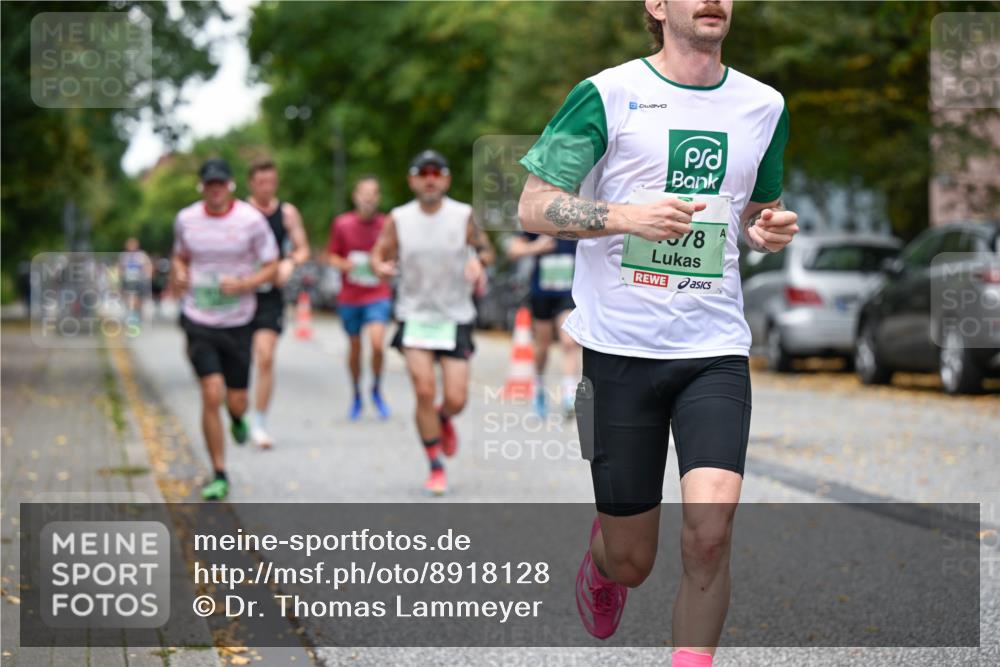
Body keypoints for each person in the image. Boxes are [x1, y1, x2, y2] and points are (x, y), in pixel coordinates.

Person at [517, 1, 799, 664]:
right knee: (632, 558)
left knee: (709, 532)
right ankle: (603, 561)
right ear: (657, 4)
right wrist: (625, 215)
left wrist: (767, 228)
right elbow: (532, 205)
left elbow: (759, 213)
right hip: (617, 352)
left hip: (714, 350)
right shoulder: (607, 95)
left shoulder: (764, 105)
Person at [371, 150, 494, 496]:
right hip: (415, 315)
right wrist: (380, 266)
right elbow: (379, 252)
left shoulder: (463, 215)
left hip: (455, 316)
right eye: (422, 173)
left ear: (446, 179)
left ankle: (442, 419)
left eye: (436, 173)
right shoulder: (399, 218)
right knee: (423, 389)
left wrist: (480, 263)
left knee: (456, 399)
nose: (429, 179)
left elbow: (486, 250)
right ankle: (435, 464)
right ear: (412, 180)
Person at [171, 158, 279, 500]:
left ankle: (238, 419)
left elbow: (272, 265)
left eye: (220, 183)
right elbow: (180, 256)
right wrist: (179, 272)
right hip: (198, 318)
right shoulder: (187, 219)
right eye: (208, 184)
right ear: (201, 186)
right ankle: (219, 473)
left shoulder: (251, 221)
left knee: (236, 400)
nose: (214, 189)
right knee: (210, 392)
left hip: (238, 321)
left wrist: (246, 283)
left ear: (230, 185)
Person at [246, 158, 311, 449]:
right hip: (239, 293)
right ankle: (237, 412)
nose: (266, 187)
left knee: (266, 357)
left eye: (271, 182)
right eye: (261, 182)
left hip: (270, 294)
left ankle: (259, 422)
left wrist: (289, 263)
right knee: (235, 360)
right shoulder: (240, 212)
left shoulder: (286, 213)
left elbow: (303, 249)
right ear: (251, 183)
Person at [326, 176, 393, 420]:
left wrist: (386, 265)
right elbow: (330, 256)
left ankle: (375, 388)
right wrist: (346, 264)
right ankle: (356, 393)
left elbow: (394, 253)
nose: (368, 198)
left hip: (377, 294)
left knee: (377, 343)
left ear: (378, 198)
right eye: (364, 193)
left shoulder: (387, 224)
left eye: (373, 193)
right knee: (355, 347)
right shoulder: (342, 224)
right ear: (355, 196)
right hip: (350, 296)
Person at [506, 232, 579, 417]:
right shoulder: (539, 221)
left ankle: (569, 395)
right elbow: (513, 250)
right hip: (542, 293)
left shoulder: (578, 217)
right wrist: (536, 247)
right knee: (542, 347)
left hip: (567, 292)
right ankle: (538, 387)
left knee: (569, 341)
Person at [119, 237, 152, 326]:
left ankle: (137, 316)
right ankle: (131, 316)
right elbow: (120, 268)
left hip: (139, 281)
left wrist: (147, 277)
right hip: (128, 281)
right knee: (129, 299)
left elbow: (148, 266)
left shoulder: (141, 255)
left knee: (138, 300)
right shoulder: (123, 255)